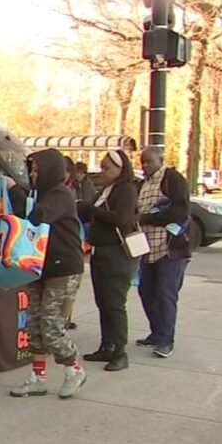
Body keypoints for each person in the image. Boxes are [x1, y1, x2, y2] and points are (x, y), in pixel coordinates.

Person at [10, 149, 86, 399]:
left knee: (51, 325)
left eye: (36, 170)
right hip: (39, 266)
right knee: (34, 324)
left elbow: (36, 217)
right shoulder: (38, 194)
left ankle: (74, 369)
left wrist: (14, 192)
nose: (32, 174)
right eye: (31, 170)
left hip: (63, 269)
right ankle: (38, 377)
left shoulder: (59, 195)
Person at [78, 150, 139, 371]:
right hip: (100, 252)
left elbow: (121, 219)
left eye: (107, 168)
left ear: (120, 169)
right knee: (103, 302)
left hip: (117, 254)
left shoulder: (127, 190)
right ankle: (107, 345)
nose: (102, 172)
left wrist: (92, 210)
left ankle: (120, 352)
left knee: (114, 304)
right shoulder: (105, 189)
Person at [136, 146, 191, 358]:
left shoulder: (172, 179)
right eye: (142, 161)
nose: (145, 165)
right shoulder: (143, 183)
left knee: (165, 294)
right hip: (147, 247)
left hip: (170, 248)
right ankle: (157, 332)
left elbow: (180, 211)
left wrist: (147, 218)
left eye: (149, 161)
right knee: (146, 291)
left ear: (160, 160)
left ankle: (166, 340)